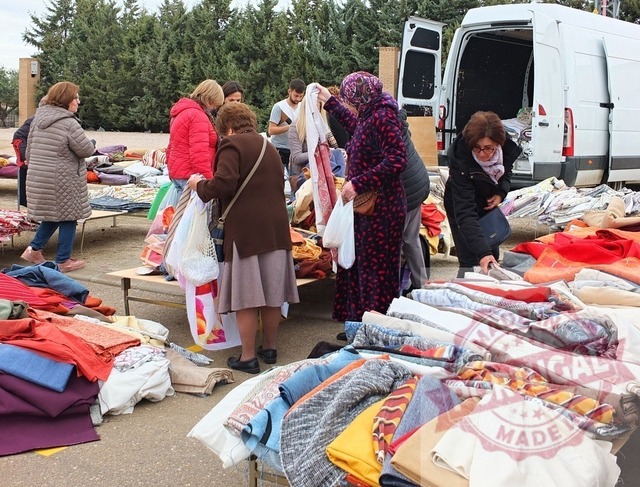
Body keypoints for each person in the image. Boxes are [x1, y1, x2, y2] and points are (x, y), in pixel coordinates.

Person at [188, 102, 299, 374]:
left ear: (227, 127)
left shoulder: (231, 145)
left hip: (246, 233)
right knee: (272, 294)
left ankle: (248, 356)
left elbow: (223, 184)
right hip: (275, 229)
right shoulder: (269, 147)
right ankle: (269, 348)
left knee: (247, 297)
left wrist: (199, 186)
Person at [315, 72, 407, 322]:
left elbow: (397, 159)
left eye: (348, 100)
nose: (348, 105)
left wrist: (358, 182)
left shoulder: (383, 117)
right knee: (358, 265)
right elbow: (358, 128)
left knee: (374, 271)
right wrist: (330, 101)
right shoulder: (371, 113)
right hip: (368, 208)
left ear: (360, 98)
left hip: (382, 211)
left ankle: (373, 324)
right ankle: (358, 322)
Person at [20, 82, 96, 272]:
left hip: (39, 178)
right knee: (69, 216)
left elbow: (28, 151)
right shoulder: (68, 123)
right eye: (76, 98)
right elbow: (85, 150)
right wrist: (92, 143)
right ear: (66, 100)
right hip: (61, 179)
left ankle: (33, 249)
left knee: (53, 214)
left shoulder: (37, 120)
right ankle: (63, 260)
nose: (78, 101)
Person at [444, 110, 522, 277]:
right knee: (471, 260)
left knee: (492, 252)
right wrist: (483, 253)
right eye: (477, 148)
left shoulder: (505, 150)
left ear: (498, 144)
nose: (482, 154)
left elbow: (507, 172)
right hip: (462, 205)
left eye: (488, 148)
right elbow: (465, 214)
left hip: (487, 204)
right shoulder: (460, 161)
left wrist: (501, 192)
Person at [166, 79, 223, 193]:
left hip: (178, 173)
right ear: (210, 99)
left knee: (181, 204)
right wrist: (209, 182)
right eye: (215, 104)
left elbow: (171, 145)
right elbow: (199, 152)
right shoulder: (198, 116)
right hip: (191, 176)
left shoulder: (181, 112)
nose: (214, 108)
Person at [398, 108, 431, 293]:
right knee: (411, 239)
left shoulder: (383, 126)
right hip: (417, 184)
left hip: (406, 190)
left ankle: (391, 294)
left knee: (393, 246)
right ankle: (423, 286)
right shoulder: (398, 123)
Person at [268, 78, 305, 173]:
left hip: (296, 151)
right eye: (296, 95)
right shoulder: (279, 107)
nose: (298, 99)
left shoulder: (302, 107)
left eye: (301, 96)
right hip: (280, 149)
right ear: (289, 91)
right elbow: (271, 130)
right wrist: (290, 127)